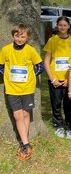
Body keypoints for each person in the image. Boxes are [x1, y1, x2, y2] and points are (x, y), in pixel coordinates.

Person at [0, 24, 44, 160]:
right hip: (12, 89)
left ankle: (24, 144)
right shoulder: (6, 50)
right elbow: (1, 67)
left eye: (23, 36)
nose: (19, 39)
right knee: (17, 115)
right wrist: (8, 77)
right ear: (13, 35)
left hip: (27, 88)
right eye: (17, 36)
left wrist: (30, 77)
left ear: (27, 37)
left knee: (26, 115)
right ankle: (26, 144)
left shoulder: (30, 50)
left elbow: (40, 66)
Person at [43, 16, 71, 139]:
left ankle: (70, 127)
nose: (62, 27)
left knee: (69, 104)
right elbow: (46, 61)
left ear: (69, 26)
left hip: (69, 80)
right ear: (57, 26)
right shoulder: (52, 40)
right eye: (60, 25)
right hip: (55, 79)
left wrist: (69, 80)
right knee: (56, 103)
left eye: (65, 25)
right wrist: (52, 78)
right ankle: (58, 125)